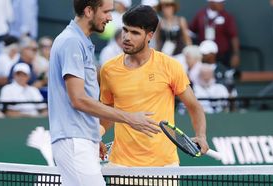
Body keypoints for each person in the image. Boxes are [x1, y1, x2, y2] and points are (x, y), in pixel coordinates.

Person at [47, 1, 160, 186]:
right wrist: (130, 118)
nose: (110, 17)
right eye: (106, 12)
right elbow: (78, 99)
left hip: (81, 139)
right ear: (89, 11)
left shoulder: (80, 41)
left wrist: (93, 134)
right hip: (75, 141)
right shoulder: (72, 42)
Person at [100, 5, 209, 167]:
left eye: (135, 33)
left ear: (149, 35)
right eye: (125, 30)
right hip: (121, 164)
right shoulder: (108, 70)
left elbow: (194, 106)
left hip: (164, 165)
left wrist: (201, 135)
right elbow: (108, 111)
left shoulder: (170, 66)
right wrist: (97, 136)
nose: (127, 37)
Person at [189, 0, 240, 69]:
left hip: (222, 56)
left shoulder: (227, 16)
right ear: (211, 2)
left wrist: (236, 54)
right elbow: (191, 31)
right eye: (219, 3)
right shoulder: (200, 15)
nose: (222, 4)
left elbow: (233, 36)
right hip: (204, 57)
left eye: (222, 2)